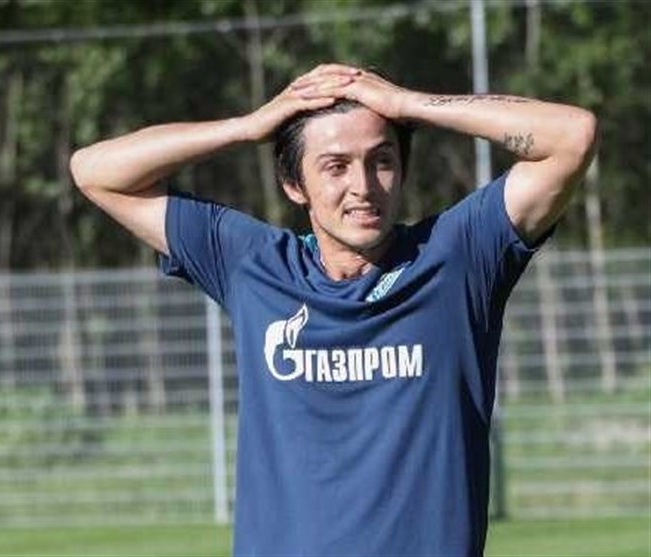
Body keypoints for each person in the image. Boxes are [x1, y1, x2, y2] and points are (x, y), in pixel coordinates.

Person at [70, 64, 597, 557]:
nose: (363, 187)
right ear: (293, 185)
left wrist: (408, 104)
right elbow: (94, 170)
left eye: (381, 161)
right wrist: (247, 127)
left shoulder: (457, 257)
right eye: (335, 167)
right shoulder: (252, 264)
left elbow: (571, 136)